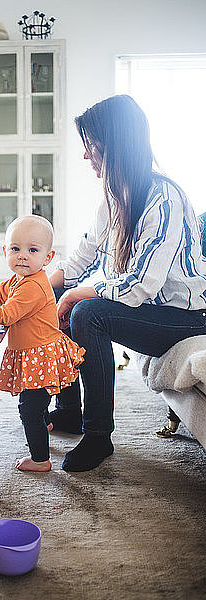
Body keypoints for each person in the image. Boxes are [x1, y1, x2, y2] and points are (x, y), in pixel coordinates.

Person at [48, 94, 206, 473]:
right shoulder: (115, 198)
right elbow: (78, 261)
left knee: (88, 312)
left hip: (188, 316)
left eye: (92, 146)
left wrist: (78, 293)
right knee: (54, 295)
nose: (86, 156)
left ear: (114, 145)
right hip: (155, 310)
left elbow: (141, 286)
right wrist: (34, 287)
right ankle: (70, 409)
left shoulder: (162, 197)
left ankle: (99, 435)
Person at [0, 215, 85, 472]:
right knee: (38, 402)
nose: (22, 256)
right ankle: (44, 427)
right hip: (36, 353)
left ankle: (40, 459)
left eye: (32, 250)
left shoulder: (33, 286)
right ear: (6, 251)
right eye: (15, 249)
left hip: (39, 356)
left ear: (47, 257)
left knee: (29, 408)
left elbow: (6, 314)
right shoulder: (18, 280)